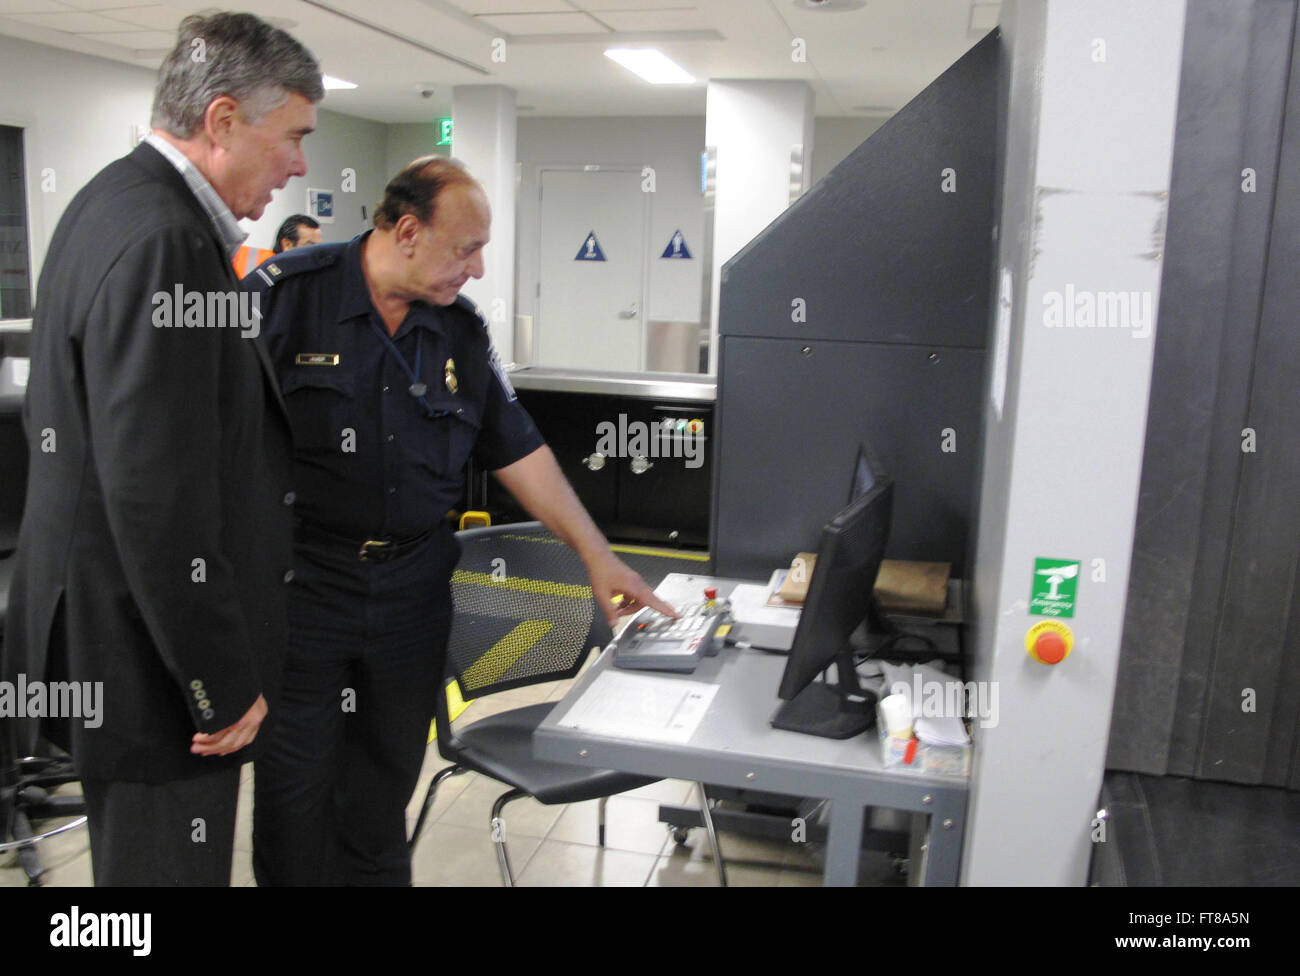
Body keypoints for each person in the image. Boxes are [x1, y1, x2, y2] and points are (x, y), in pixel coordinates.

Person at [246, 156, 674, 886]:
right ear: (407, 231)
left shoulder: (459, 333)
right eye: (466, 248)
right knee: (294, 804)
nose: (476, 270)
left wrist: (598, 555)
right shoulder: (284, 301)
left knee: (381, 801)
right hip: (304, 591)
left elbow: (520, 448)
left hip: (412, 594)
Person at [1, 13, 323, 885]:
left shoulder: (110, 201)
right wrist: (219, 681)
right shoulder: (166, 244)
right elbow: (157, 494)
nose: (299, 165)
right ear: (222, 121)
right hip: (156, 677)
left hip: (110, 644)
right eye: (292, 136)